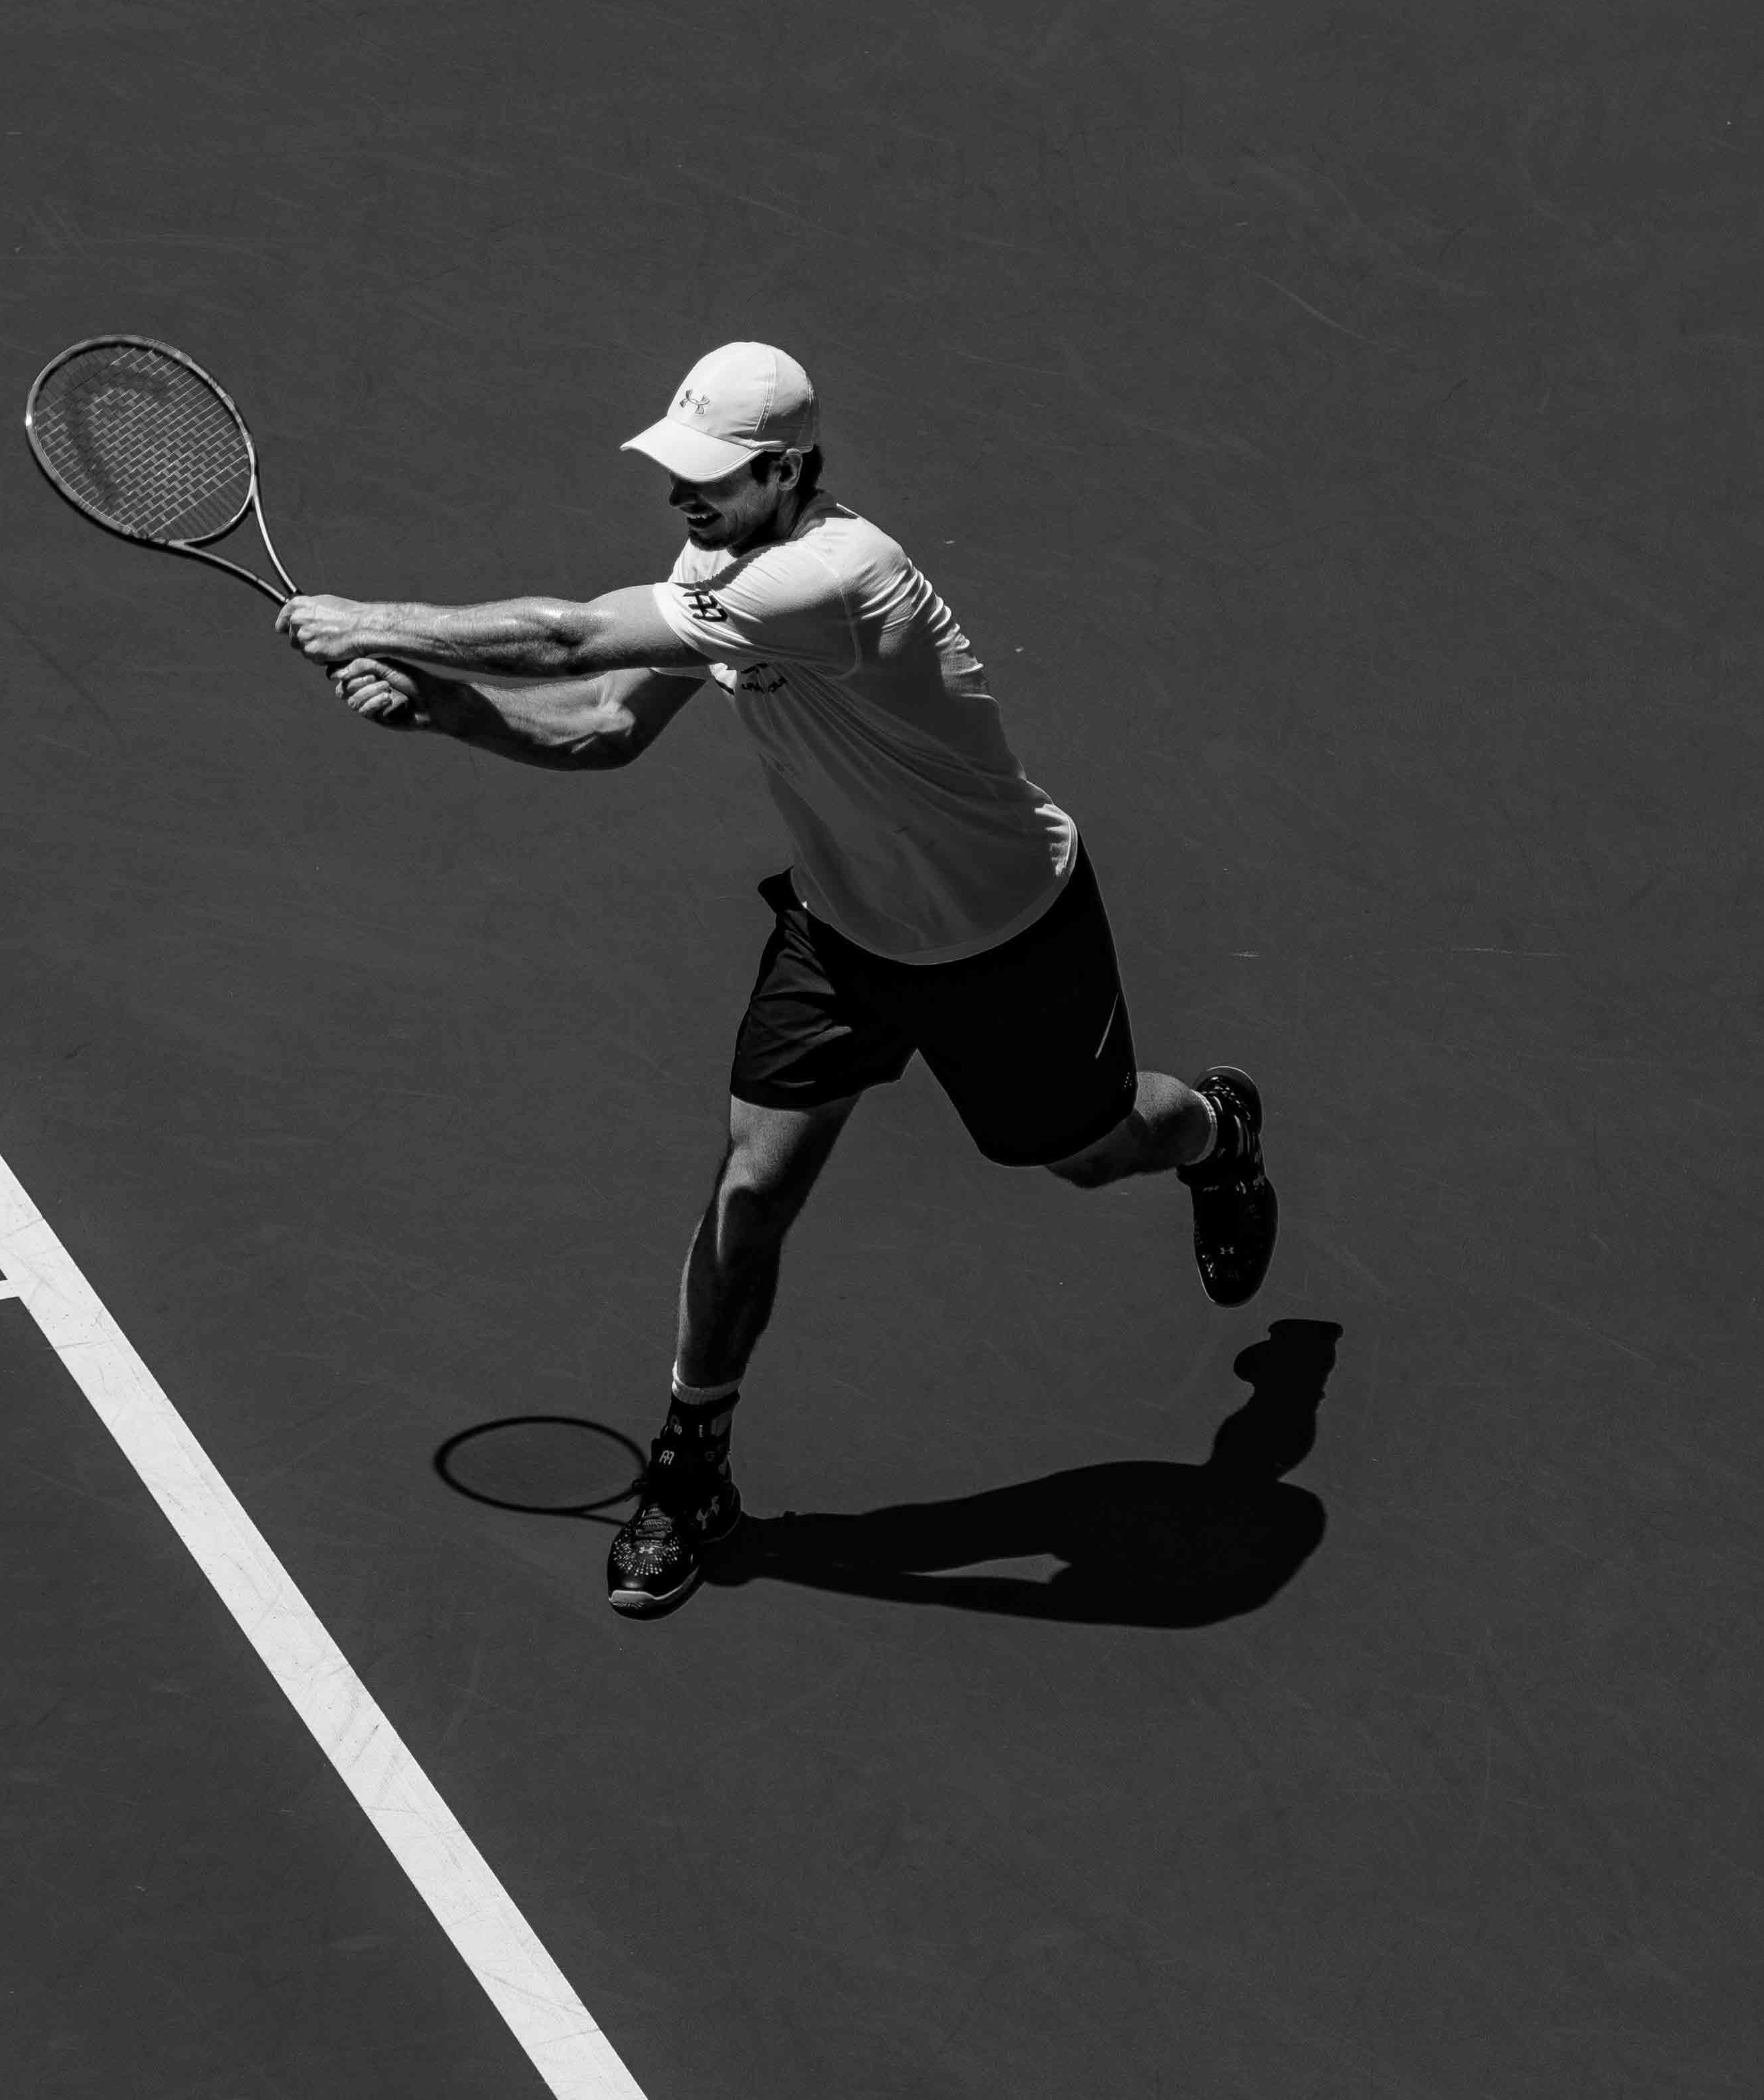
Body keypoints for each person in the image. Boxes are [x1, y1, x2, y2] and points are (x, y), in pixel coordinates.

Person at [275, 342, 1275, 1619]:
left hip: (1006, 935)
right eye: (675, 471)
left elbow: (570, 634)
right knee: (752, 1186)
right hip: (843, 932)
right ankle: (693, 1467)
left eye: (712, 476)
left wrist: (369, 620)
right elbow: (602, 723)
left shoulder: (832, 578)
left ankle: (1216, 1129)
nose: (682, 498)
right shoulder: (721, 566)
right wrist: (448, 710)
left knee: (1088, 1150)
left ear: (792, 469)